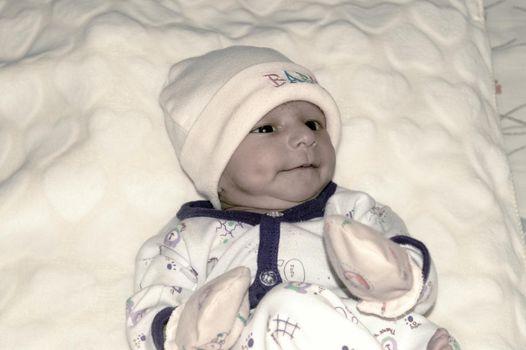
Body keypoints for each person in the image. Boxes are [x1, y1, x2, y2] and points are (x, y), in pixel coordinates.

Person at [126, 46, 459, 350]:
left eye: (313, 123)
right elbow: (147, 314)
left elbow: (419, 286)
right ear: (216, 161)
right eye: (268, 128)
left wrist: (395, 279)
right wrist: (188, 328)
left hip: (367, 333)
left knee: (411, 327)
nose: (304, 137)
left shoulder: (351, 210)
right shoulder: (187, 238)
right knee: (285, 304)